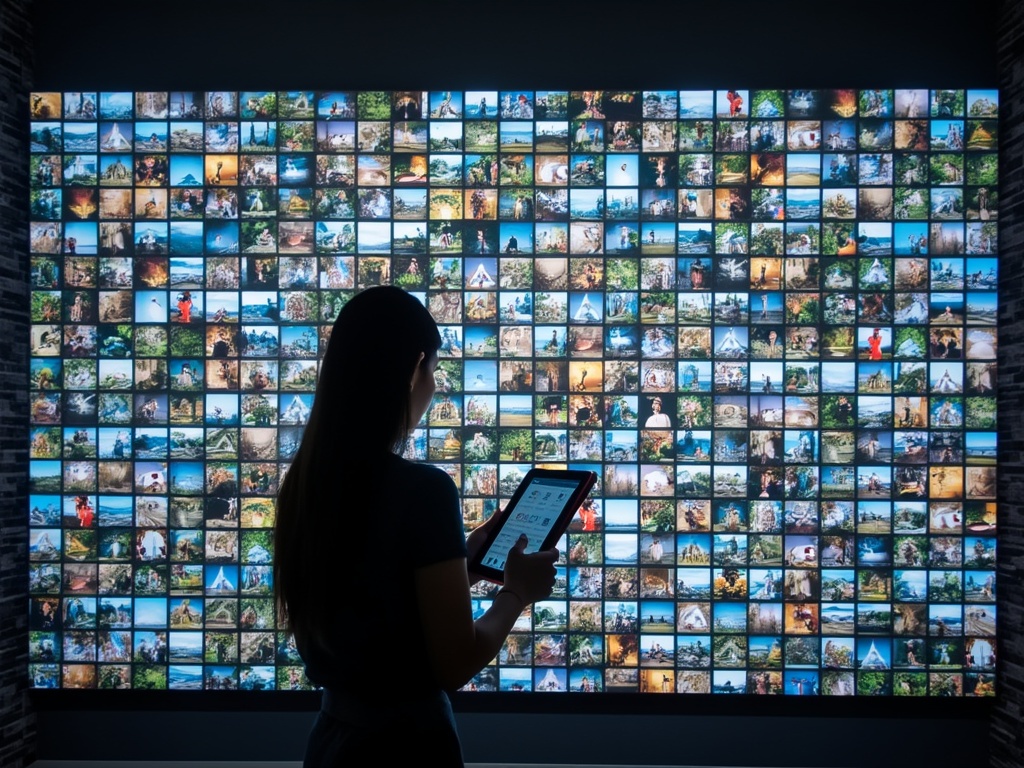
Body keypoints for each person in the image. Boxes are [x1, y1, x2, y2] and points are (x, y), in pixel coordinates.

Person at [274, 286, 557, 767]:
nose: (434, 387)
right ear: (412, 370)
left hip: (331, 744)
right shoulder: (424, 490)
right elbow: (454, 662)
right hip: (406, 754)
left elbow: (371, 602)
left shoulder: (304, 484)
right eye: (433, 371)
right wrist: (516, 593)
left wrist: (460, 569)